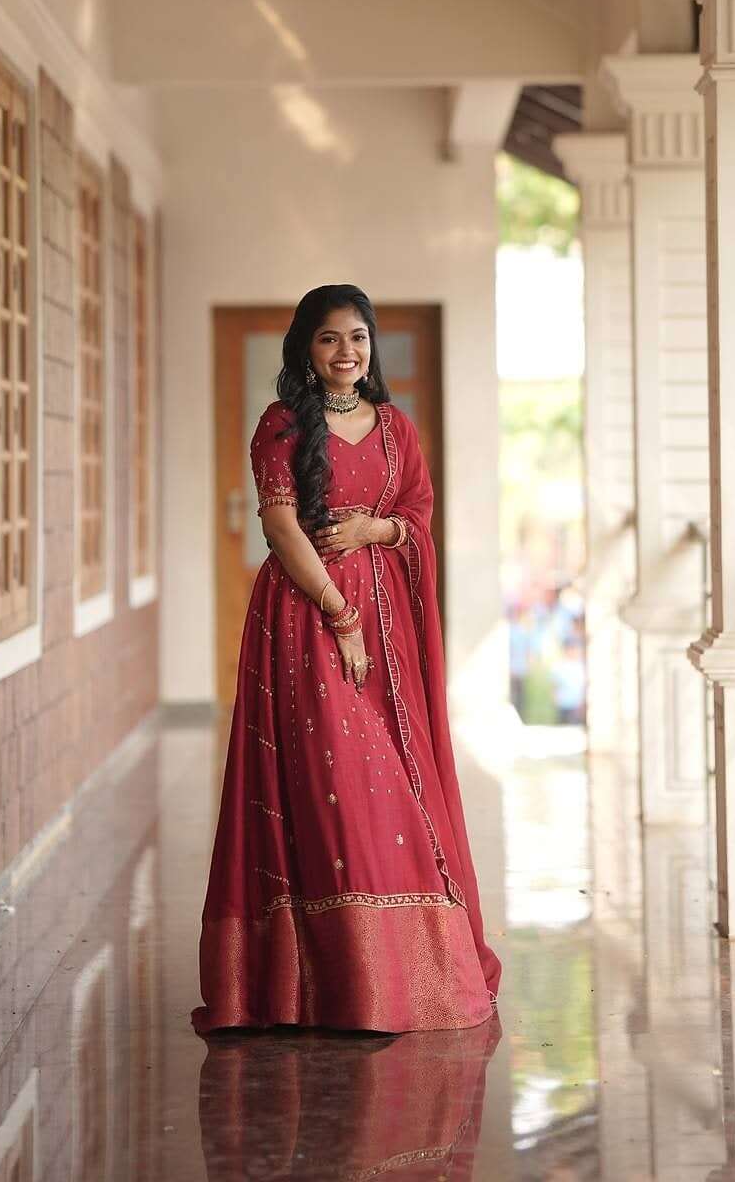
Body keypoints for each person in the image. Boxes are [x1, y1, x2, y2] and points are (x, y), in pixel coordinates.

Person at [191, 284, 500, 1035]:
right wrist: (340, 611)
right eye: (329, 339)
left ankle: (405, 978)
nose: (345, 353)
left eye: (357, 338)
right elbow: (279, 524)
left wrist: (377, 533)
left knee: (397, 778)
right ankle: (335, 985)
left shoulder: (397, 428)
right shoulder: (282, 425)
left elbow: (418, 519)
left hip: (390, 627)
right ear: (306, 347)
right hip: (308, 616)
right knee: (334, 776)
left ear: (371, 346)